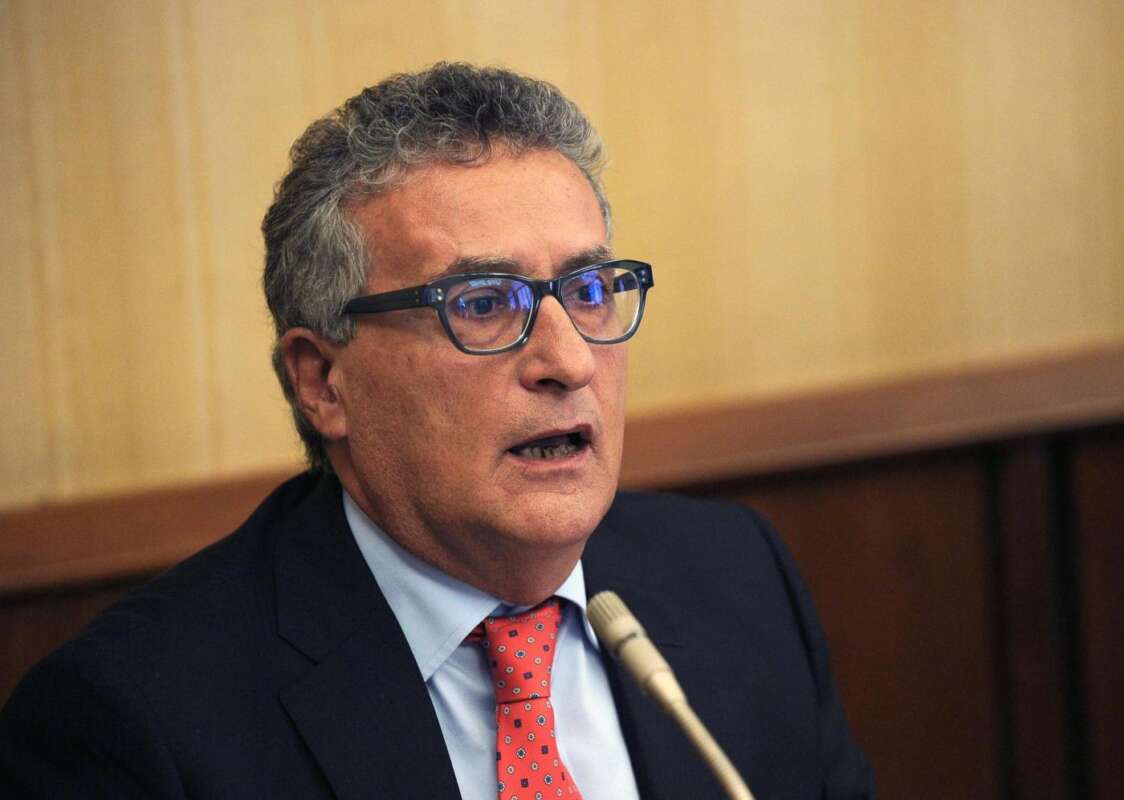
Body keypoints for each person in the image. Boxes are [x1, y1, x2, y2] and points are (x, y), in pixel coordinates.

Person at [0, 63, 874, 799]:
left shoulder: (736, 579)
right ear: (323, 381)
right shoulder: (133, 724)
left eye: (588, 290)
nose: (568, 360)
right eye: (483, 304)